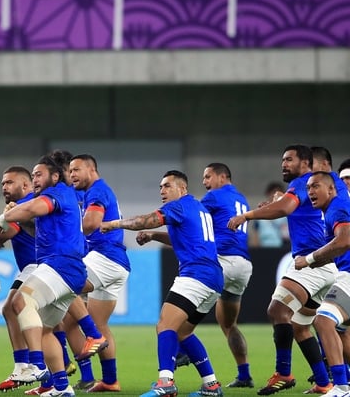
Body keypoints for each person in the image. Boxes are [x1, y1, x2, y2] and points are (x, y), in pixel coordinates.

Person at [101, 170, 223, 397]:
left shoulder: (177, 207)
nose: (162, 191)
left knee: (165, 326)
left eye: (167, 186)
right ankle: (212, 385)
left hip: (195, 275)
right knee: (183, 333)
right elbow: (183, 239)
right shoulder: (198, 208)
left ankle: (165, 382)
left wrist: (114, 224)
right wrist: (154, 235)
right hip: (214, 279)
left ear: (182, 189)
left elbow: (141, 220)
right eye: (160, 187)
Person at [228, 145, 336, 395]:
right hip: (327, 266)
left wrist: (248, 216)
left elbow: (285, 209)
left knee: (277, 311)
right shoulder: (319, 187)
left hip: (311, 263)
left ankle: (284, 373)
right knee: (300, 326)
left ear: (305, 163)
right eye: (283, 160)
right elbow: (288, 206)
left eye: (289, 159)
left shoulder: (302, 183)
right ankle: (323, 382)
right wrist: (278, 199)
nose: (283, 164)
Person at [0, 155, 89, 397]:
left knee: (20, 302)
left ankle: (34, 364)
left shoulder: (56, 194)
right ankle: (62, 387)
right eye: (33, 175)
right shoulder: (62, 197)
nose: (35, 179)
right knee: (45, 329)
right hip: (66, 270)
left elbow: (33, 209)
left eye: (39, 174)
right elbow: (33, 219)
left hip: (60, 266)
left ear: (55, 177)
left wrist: (2, 218)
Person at [67, 154, 129, 392]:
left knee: (62, 284)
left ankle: (90, 341)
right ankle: (110, 381)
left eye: (76, 170)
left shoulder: (98, 191)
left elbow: (91, 223)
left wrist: (65, 234)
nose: (72, 174)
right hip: (117, 263)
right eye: (70, 170)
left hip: (105, 257)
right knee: (99, 324)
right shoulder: (93, 191)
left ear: (91, 169)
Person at [0, 166, 38, 392]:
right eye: (3, 183)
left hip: (38, 267)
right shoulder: (17, 208)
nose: (4, 186)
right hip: (33, 267)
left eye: (9, 182)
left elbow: (0, 238)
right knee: (51, 321)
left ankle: (26, 365)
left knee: (11, 308)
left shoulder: (24, 207)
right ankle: (57, 373)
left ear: (25, 185)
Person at [293, 171, 350, 397]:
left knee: (323, 320)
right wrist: (315, 262)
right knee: (341, 329)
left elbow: (345, 240)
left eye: (315, 186)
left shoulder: (337, 207)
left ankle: (341, 387)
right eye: (308, 188)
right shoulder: (331, 210)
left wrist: (309, 259)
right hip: (344, 273)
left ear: (331, 189)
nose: (310, 192)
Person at [199, 163, 254, 388]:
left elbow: (194, 219)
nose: (205, 182)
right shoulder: (242, 199)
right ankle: (244, 374)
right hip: (243, 265)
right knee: (229, 324)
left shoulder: (213, 197)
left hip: (222, 260)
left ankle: (182, 350)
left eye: (208, 176)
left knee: (180, 311)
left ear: (222, 177)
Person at [248, 182, 289, 248]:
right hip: (264, 249)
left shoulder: (286, 214)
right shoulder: (260, 215)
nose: (275, 196)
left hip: (282, 249)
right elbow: (255, 234)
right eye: (273, 193)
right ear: (268, 194)